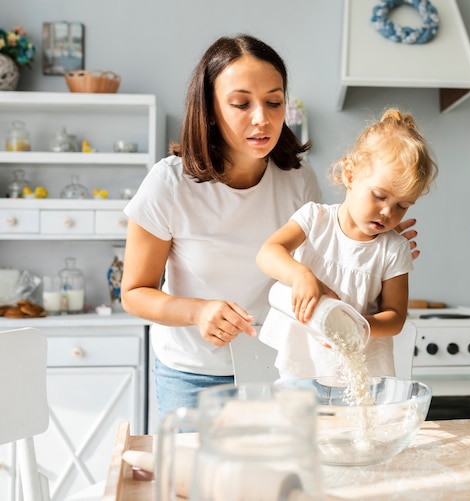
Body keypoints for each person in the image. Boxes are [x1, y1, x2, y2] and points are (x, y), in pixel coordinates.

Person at [120, 35, 421, 418]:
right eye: (241, 103)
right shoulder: (169, 184)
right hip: (193, 373)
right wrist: (197, 311)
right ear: (210, 109)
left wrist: (372, 241)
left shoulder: (298, 180)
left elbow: (322, 264)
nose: (262, 118)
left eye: (274, 102)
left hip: (279, 369)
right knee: (195, 478)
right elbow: (134, 293)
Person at [257, 108, 438, 381]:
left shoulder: (393, 249)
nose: (388, 213)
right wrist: (302, 274)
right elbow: (268, 253)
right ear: (350, 175)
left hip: (361, 374)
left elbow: (396, 317)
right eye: (379, 196)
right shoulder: (314, 219)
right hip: (303, 367)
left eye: (402, 206)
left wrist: (360, 326)